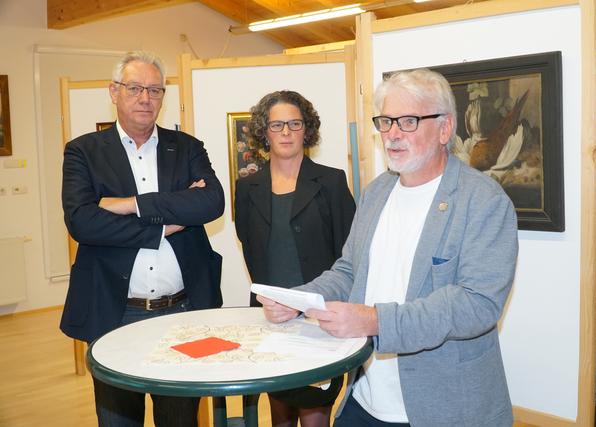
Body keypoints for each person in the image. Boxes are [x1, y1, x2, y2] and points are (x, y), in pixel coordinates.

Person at [259, 69, 518, 427]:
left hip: (443, 407)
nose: (392, 134)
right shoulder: (377, 192)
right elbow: (349, 271)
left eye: (408, 121)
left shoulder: (484, 201)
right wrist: (300, 301)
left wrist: (376, 321)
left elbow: (477, 304)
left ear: (445, 129)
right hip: (365, 399)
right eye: (385, 121)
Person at [60, 50, 225, 426]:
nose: (145, 98)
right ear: (113, 92)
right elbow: (83, 222)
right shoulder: (84, 151)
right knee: (119, 419)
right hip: (116, 313)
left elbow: (211, 202)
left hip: (182, 310)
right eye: (135, 88)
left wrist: (128, 204)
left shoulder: (186, 147)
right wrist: (163, 225)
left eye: (155, 90)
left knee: (180, 418)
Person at [234, 90, 356, 427]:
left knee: (315, 414)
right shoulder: (247, 188)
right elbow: (250, 245)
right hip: (270, 317)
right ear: (264, 132)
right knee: (280, 415)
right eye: (277, 125)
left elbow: (350, 252)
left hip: (319, 319)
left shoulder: (331, 182)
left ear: (307, 130)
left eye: (294, 124)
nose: (286, 132)